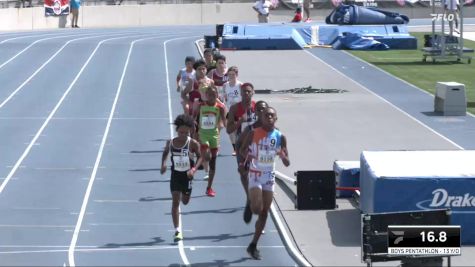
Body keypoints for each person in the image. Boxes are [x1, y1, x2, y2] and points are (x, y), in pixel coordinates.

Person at [240, 107, 290, 260]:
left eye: (271, 115)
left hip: (269, 176)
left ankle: (253, 245)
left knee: (264, 213)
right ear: (261, 118)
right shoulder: (253, 133)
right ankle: (250, 202)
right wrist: (250, 156)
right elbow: (242, 150)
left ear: (276, 118)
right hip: (255, 174)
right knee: (256, 209)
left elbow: (287, 162)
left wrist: (282, 155)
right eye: (266, 115)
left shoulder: (280, 137)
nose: (269, 117)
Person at [160, 114, 203, 242]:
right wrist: (163, 164)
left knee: (185, 201)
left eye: (186, 132)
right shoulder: (171, 142)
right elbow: (165, 152)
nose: (183, 134)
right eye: (181, 132)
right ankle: (177, 230)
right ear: (177, 130)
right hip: (175, 175)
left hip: (187, 176)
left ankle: (187, 192)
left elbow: (201, 157)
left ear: (190, 131)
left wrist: (194, 169)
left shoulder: (193, 143)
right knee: (175, 202)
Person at [234, 100, 268, 224]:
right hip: (252, 167)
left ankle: (260, 223)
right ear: (255, 112)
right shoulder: (250, 129)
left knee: (265, 197)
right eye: (259, 109)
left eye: (264, 109)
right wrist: (241, 164)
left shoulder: (274, 131)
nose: (262, 111)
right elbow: (238, 146)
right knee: (257, 195)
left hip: (267, 168)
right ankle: (250, 199)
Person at [194, 86, 226, 197]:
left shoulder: (220, 107)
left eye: (214, 94)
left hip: (214, 136)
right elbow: (194, 119)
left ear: (217, 95)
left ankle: (209, 188)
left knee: (213, 164)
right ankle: (198, 163)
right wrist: (194, 132)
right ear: (206, 95)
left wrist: (229, 127)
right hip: (203, 134)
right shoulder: (201, 106)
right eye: (209, 94)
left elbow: (224, 122)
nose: (211, 96)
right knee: (207, 156)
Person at [223, 66, 242, 155]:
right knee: (230, 131)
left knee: (238, 130)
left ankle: (239, 147)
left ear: (237, 75)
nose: (231, 76)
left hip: (239, 110)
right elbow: (224, 97)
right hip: (229, 111)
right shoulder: (225, 85)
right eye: (229, 74)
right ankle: (235, 148)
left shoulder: (240, 85)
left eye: (233, 74)